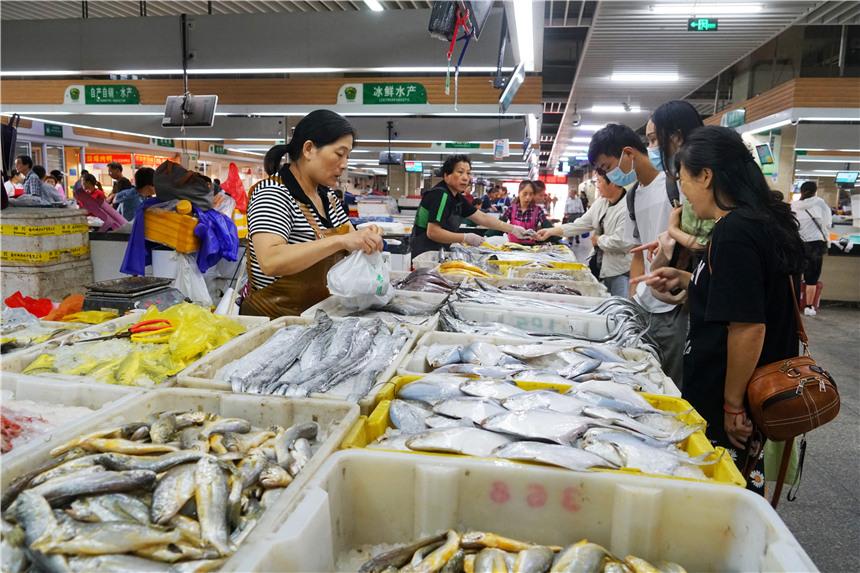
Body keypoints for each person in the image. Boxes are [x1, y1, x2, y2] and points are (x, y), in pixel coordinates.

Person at [631, 126, 807, 493]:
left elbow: (748, 326)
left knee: (725, 486)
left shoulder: (735, 231)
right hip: (748, 387)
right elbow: (745, 296)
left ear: (706, 175)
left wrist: (732, 406)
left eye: (684, 180)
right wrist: (686, 280)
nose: (683, 192)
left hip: (732, 391)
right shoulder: (761, 220)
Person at [243, 110, 383, 318]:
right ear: (309, 149)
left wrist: (367, 240)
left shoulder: (329, 198)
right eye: (339, 154)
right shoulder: (273, 192)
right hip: (275, 324)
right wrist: (342, 241)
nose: (344, 164)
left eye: (347, 156)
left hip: (319, 317)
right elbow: (271, 261)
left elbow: (351, 243)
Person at [589, 123, 686, 387]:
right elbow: (636, 253)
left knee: (673, 381)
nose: (609, 174)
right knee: (646, 377)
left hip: (675, 305)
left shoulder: (676, 186)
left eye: (608, 167)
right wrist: (633, 304)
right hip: (645, 307)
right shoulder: (633, 197)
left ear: (628, 153)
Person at [409, 154, 528, 257]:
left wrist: (513, 229)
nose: (465, 177)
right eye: (460, 172)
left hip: (436, 252)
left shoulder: (457, 197)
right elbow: (433, 232)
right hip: (422, 255)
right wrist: (465, 238)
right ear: (446, 176)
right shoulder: (440, 195)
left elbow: (482, 217)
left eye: (468, 173)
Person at [538, 171, 634, 297]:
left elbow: (621, 242)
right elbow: (580, 224)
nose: (597, 186)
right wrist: (551, 231)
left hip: (619, 270)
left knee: (618, 308)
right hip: (600, 266)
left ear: (614, 183)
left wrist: (598, 240)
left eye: (599, 181)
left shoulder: (627, 208)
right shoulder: (601, 203)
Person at [643, 101, 713, 273]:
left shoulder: (702, 182)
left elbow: (706, 244)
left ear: (678, 138)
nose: (650, 148)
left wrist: (674, 232)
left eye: (653, 140)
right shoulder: (684, 178)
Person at [791, 181, 832, 316]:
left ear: (801, 191)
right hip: (815, 244)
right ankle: (809, 307)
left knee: (795, 275)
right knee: (812, 278)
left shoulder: (794, 205)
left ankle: (794, 305)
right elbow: (827, 223)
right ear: (815, 191)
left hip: (797, 243)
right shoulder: (820, 203)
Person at [487, 180, 549, 245]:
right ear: (519, 193)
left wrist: (558, 237)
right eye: (525, 194)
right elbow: (499, 224)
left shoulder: (538, 210)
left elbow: (548, 227)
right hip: (511, 247)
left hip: (530, 248)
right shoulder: (511, 209)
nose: (527, 197)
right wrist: (486, 235)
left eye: (531, 194)